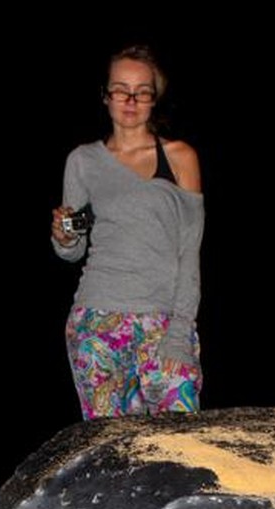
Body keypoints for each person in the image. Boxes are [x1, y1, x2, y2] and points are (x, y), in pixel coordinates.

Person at [50, 44, 205, 419]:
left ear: (155, 99)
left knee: (180, 448)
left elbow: (189, 253)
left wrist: (180, 331)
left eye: (142, 91)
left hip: (163, 321)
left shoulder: (180, 157)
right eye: (121, 89)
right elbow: (75, 243)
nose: (131, 100)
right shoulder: (83, 161)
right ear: (105, 96)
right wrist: (64, 235)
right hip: (95, 322)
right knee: (113, 455)